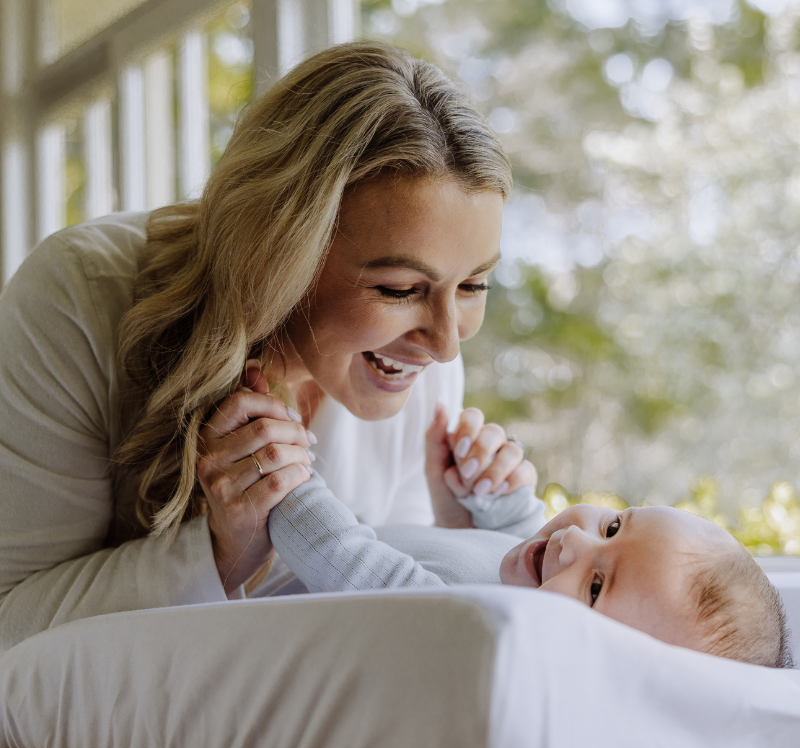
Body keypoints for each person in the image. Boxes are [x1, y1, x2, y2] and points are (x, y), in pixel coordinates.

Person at [0, 42, 539, 654]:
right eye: (397, 289)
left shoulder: (416, 365)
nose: (445, 345)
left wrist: (458, 534)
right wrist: (221, 553)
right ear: (278, 254)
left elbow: (388, 625)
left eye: (474, 284)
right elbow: (6, 619)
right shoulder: (78, 298)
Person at [266, 411, 794, 669]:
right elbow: (515, 537)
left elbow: (344, 559)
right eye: (613, 525)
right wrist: (489, 490)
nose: (573, 541)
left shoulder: (469, 628)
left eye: (595, 588)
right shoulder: (532, 571)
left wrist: (284, 474)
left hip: (248, 572)